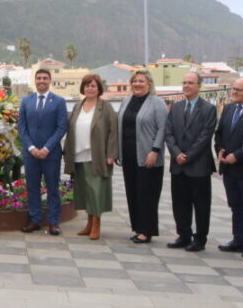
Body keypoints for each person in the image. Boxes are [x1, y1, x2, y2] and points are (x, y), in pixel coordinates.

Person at [164, 71, 217, 252]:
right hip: (178, 165)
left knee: (201, 205)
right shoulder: (176, 107)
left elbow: (205, 136)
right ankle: (183, 235)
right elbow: (168, 133)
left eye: (191, 83)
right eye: (184, 82)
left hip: (198, 165)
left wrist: (188, 155)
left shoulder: (208, 109)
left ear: (199, 86)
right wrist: (176, 153)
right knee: (180, 203)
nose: (186, 85)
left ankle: (200, 239)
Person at [62, 73, 117, 240]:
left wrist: (111, 154)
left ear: (99, 88)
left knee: (96, 190)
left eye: (93, 86)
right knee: (84, 191)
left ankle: (96, 224)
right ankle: (89, 222)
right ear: (83, 88)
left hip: (97, 156)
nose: (90, 88)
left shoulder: (105, 107)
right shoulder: (78, 106)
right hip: (78, 155)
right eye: (87, 85)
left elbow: (114, 131)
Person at [116, 69, 168, 244]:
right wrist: (118, 152)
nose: (137, 84)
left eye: (141, 81)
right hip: (129, 155)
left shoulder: (157, 103)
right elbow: (120, 127)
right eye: (135, 81)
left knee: (147, 194)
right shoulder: (125, 101)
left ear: (149, 84)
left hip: (148, 157)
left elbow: (163, 128)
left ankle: (147, 231)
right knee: (133, 192)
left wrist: (155, 150)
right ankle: (138, 228)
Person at [18, 68, 68, 235]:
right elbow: (22, 127)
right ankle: (34, 220)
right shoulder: (26, 101)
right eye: (39, 78)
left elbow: (61, 128)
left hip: (51, 153)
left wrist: (47, 148)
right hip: (30, 154)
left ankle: (53, 222)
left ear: (50, 80)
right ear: (35, 80)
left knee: (53, 187)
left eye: (45, 78)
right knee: (32, 187)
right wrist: (31, 147)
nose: (41, 81)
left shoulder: (59, 101)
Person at [215, 77, 243, 258]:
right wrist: (219, 150)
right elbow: (219, 134)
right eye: (232, 89)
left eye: (238, 90)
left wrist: (238, 155)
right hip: (228, 167)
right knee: (235, 205)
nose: (234, 92)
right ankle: (238, 239)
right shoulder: (228, 108)